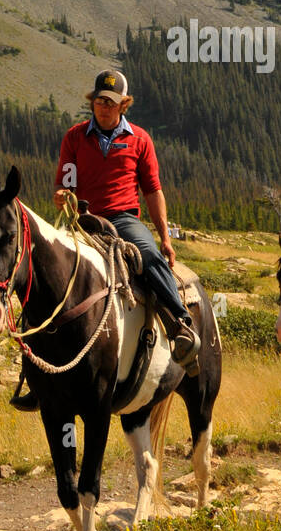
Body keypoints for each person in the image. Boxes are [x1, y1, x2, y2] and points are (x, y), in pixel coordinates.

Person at [54, 70, 200, 371]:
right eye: (99, 100)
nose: (103, 106)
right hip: (82, 219)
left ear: (123, 105)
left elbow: (152, 191)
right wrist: (62, 195)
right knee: (47, 263)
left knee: (148, 256)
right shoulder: (74, 137)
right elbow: (66, 182)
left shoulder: (140, 139)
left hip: (123, 219)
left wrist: (165, 238)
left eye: (111, 101)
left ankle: (179, 325)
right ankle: (34, 362)